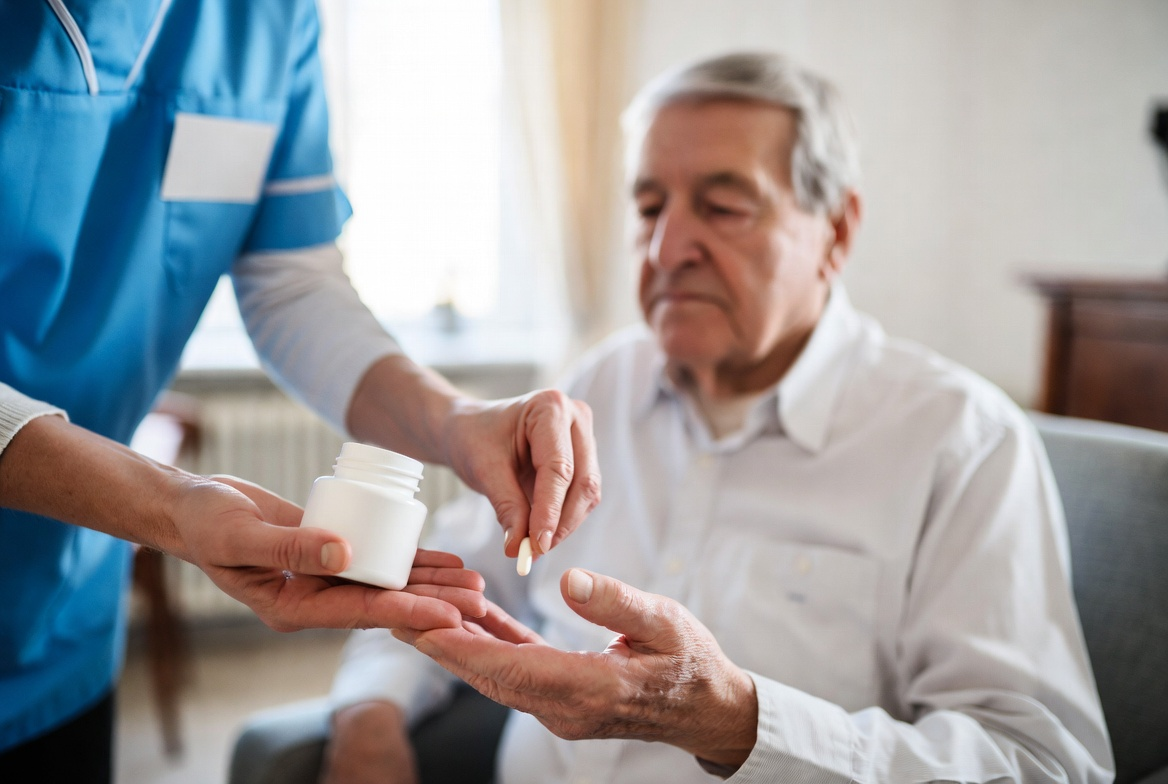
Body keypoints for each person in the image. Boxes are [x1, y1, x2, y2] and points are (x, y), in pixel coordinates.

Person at [324, 51, 1114, 783]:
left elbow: (1042, 760)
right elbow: (455, 572)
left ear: (835, 232)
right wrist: (369, 710)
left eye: (724, 206)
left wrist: (739, 723)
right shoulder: (599, 384)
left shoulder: (958, 442)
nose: (667, 249)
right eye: (648, 205)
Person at [0, 0, 600, 779]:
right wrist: (172, 503)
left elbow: (291, 284)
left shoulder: (267, 19)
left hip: (58, 609)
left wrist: (459, 423)